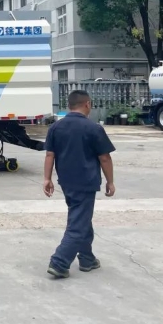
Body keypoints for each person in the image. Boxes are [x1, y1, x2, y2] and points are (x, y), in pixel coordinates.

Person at [43, 89, 116, 279]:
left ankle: (86, 259)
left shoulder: (56, 127)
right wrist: (110, 181)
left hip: (66, 182)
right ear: (87, 104)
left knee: (81, 219)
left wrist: (47, 178)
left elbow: (50, 154)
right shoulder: (93, 128)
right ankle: (59, 262)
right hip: (86, 182)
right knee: (78, 224)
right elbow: (105, 158)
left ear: (69, 106)